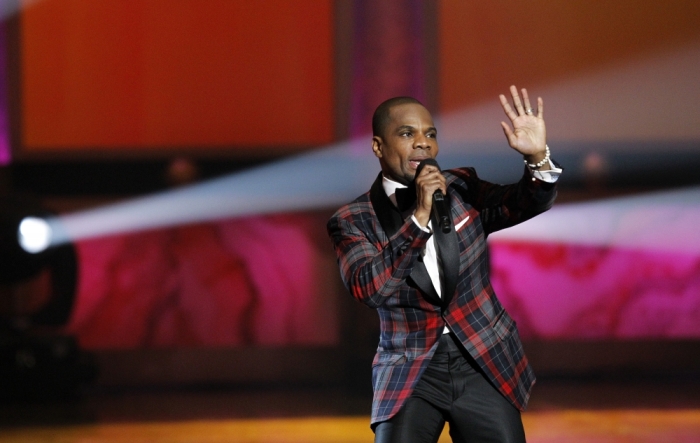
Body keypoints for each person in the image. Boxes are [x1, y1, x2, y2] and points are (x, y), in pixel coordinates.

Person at [327, 86, 562, 443]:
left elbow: (523, 202)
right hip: (411, 370)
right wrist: (419, 217)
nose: (423, 143)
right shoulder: (353, 220)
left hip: (481, 358)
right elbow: (370, 287)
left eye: (430, 134)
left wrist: (537, 159)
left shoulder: (461, 187)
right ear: (378, 146)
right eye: (407, 134)